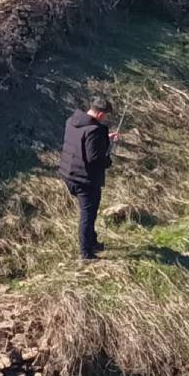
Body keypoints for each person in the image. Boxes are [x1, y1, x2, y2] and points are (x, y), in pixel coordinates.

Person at [57, 97, 119, 261]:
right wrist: (108, 160)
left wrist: (106, 139)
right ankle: (86, 253)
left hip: (69, 174)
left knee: (89, 211)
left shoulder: (71, 121)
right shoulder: (95, 130)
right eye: (105, 116)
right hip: (85, 180)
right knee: (88, 215)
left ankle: (92, 242)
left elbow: (82, 142)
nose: (105, 119)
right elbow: (95, 158)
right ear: (99, 114)